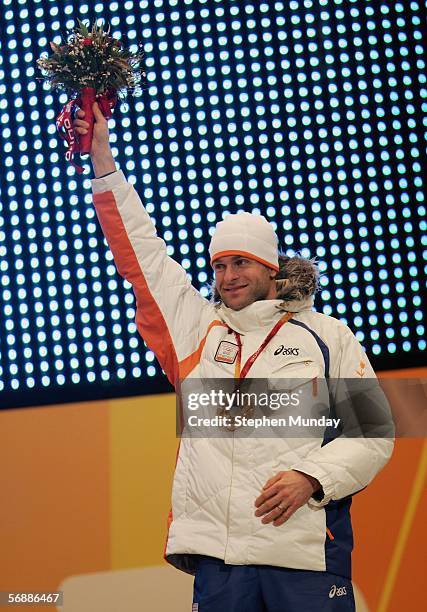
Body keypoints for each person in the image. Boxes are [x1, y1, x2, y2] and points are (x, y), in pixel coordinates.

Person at [74, 103, 394, 612]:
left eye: (241, 262)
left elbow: (373, 434)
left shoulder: (326, 336)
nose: (227, 276)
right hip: (220, 562)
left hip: (307, 554)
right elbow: (144, 256)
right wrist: (102, 161)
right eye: (218, 265)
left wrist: (313, 478)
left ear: (270, 267)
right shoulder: (196, 329)